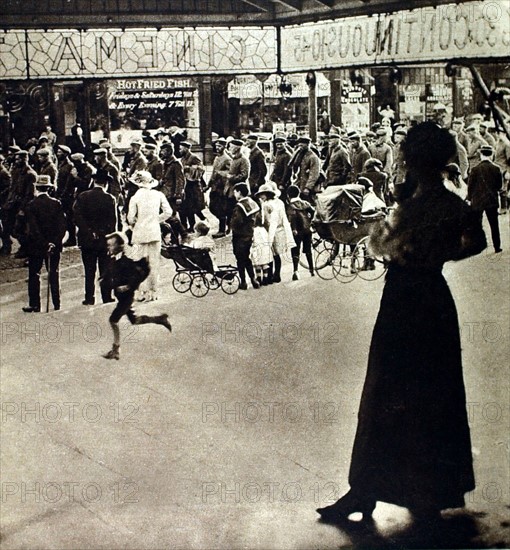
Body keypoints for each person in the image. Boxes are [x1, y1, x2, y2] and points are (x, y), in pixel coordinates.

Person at [317, 121, 487, 525]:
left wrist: (401, 242)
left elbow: (379, 247)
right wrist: (440, 257)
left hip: (402, 302)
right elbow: (475, 241)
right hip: (435, 301)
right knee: (434, 394)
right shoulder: (451, 204)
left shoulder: (409, 205)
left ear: (411, 161)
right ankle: (427, 491)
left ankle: (365, 491)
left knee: (384, 393)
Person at [101, 232, 172, 360]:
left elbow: (138, 275)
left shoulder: (125, 261)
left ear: (119, 247)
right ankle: (160, 319)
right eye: (108, 245)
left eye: (111, 245)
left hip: (126, 298)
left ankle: (116, 349)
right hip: (121, 297)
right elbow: (110, 274)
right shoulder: (113, 260)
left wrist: (128, 286)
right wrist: (104, 279)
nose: (108, 247)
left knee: (113, 320)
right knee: (134, 320)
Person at [23, 175, 67, 313]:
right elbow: (62, 226)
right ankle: (57, 302)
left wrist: (43, 243)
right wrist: (54, 242)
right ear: (49, 188)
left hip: (36, 246)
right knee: (54, 273)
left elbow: (33, 229)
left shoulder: (31, 205)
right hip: (54, 246)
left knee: (34, 273)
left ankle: (35, 304)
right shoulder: (56, 203)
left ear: (36, 188)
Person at [73, 170, 117, 305]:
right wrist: (111, 239)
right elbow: (114, 222)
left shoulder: (83, 196)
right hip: (104, 240)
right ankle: (106, 296)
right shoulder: (110, 198)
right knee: (105, 270)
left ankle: (89, 297)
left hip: (87, 240)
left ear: (94, 181)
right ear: (106, 184)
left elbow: (76, 217)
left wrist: (88, 231)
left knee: (89, 270)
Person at [127, 170, 172, 301]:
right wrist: (156, 219)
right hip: (154, 231)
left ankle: (142, 292)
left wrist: (136, 222)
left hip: (140, 233)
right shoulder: (158, 195)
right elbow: (168, 212)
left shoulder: (135, 197)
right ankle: (153, 292)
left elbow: (131, 218)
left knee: (139, 263)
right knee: (154, 262)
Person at [255, 182, 295, 284]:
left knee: (271, 253)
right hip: (279, 229)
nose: (261, 196)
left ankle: (272, 275)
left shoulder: (267, 205)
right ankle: (275, 275)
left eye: (262, 194)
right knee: (276, 254)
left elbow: (268, 221)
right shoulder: (279, 202)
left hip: (272, 230)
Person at [467, 145, 503, 253]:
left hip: (478, 201)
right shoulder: (496, 168)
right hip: (492, 200)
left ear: (481, 154)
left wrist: (469, 198)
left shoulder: (475, 169)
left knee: (477, 224)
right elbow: (499, 186)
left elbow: (470, 186)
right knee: (494, 225)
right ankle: (497, 247)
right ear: (491, 155)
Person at [230, 182, 260, 290]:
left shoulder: (239, 207)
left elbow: (236, 221)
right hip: (249, 234)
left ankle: (243, 282)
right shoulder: (252, 203)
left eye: (235, 191)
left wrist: (231, 225)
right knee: (247, 258)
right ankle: (253, 279)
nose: (234, 194)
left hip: (239, 236)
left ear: (239, 193)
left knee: (240, 259)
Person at [285, 185, 314, 280]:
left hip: (296, 231)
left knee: (295, 251)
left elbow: (291, 217)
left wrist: (293, 229)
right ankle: (311, 270)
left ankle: (296, 271)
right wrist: (310, 221)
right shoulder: (305, 203)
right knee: (308, 250)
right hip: (307, 230)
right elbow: (313, 212)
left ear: (289, 195)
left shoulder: (290, 206)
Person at [208, 138, 231, 238]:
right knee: (212, 207)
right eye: (216, 146)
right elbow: (213, 173)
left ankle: (222, 230)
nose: (217, 148)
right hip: (214, 186)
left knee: (221, 208)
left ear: (224, 147)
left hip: (221, 187)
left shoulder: (227, 158)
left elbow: (230, 172)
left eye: (220, 146)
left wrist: (221, 174)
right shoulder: (217, 158)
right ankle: (227, 222)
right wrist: (208, 185)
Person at [180, 141, 206, 230]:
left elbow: (201, 169)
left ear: (186, 149)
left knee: (192, 207)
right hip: (185, 185)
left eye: (181, 148)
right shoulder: (182, 159)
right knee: (186, 206)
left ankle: (195, 224)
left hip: (193, 186)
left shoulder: (194, 157)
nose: (179, 150)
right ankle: (188, 225)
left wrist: (189, 169)